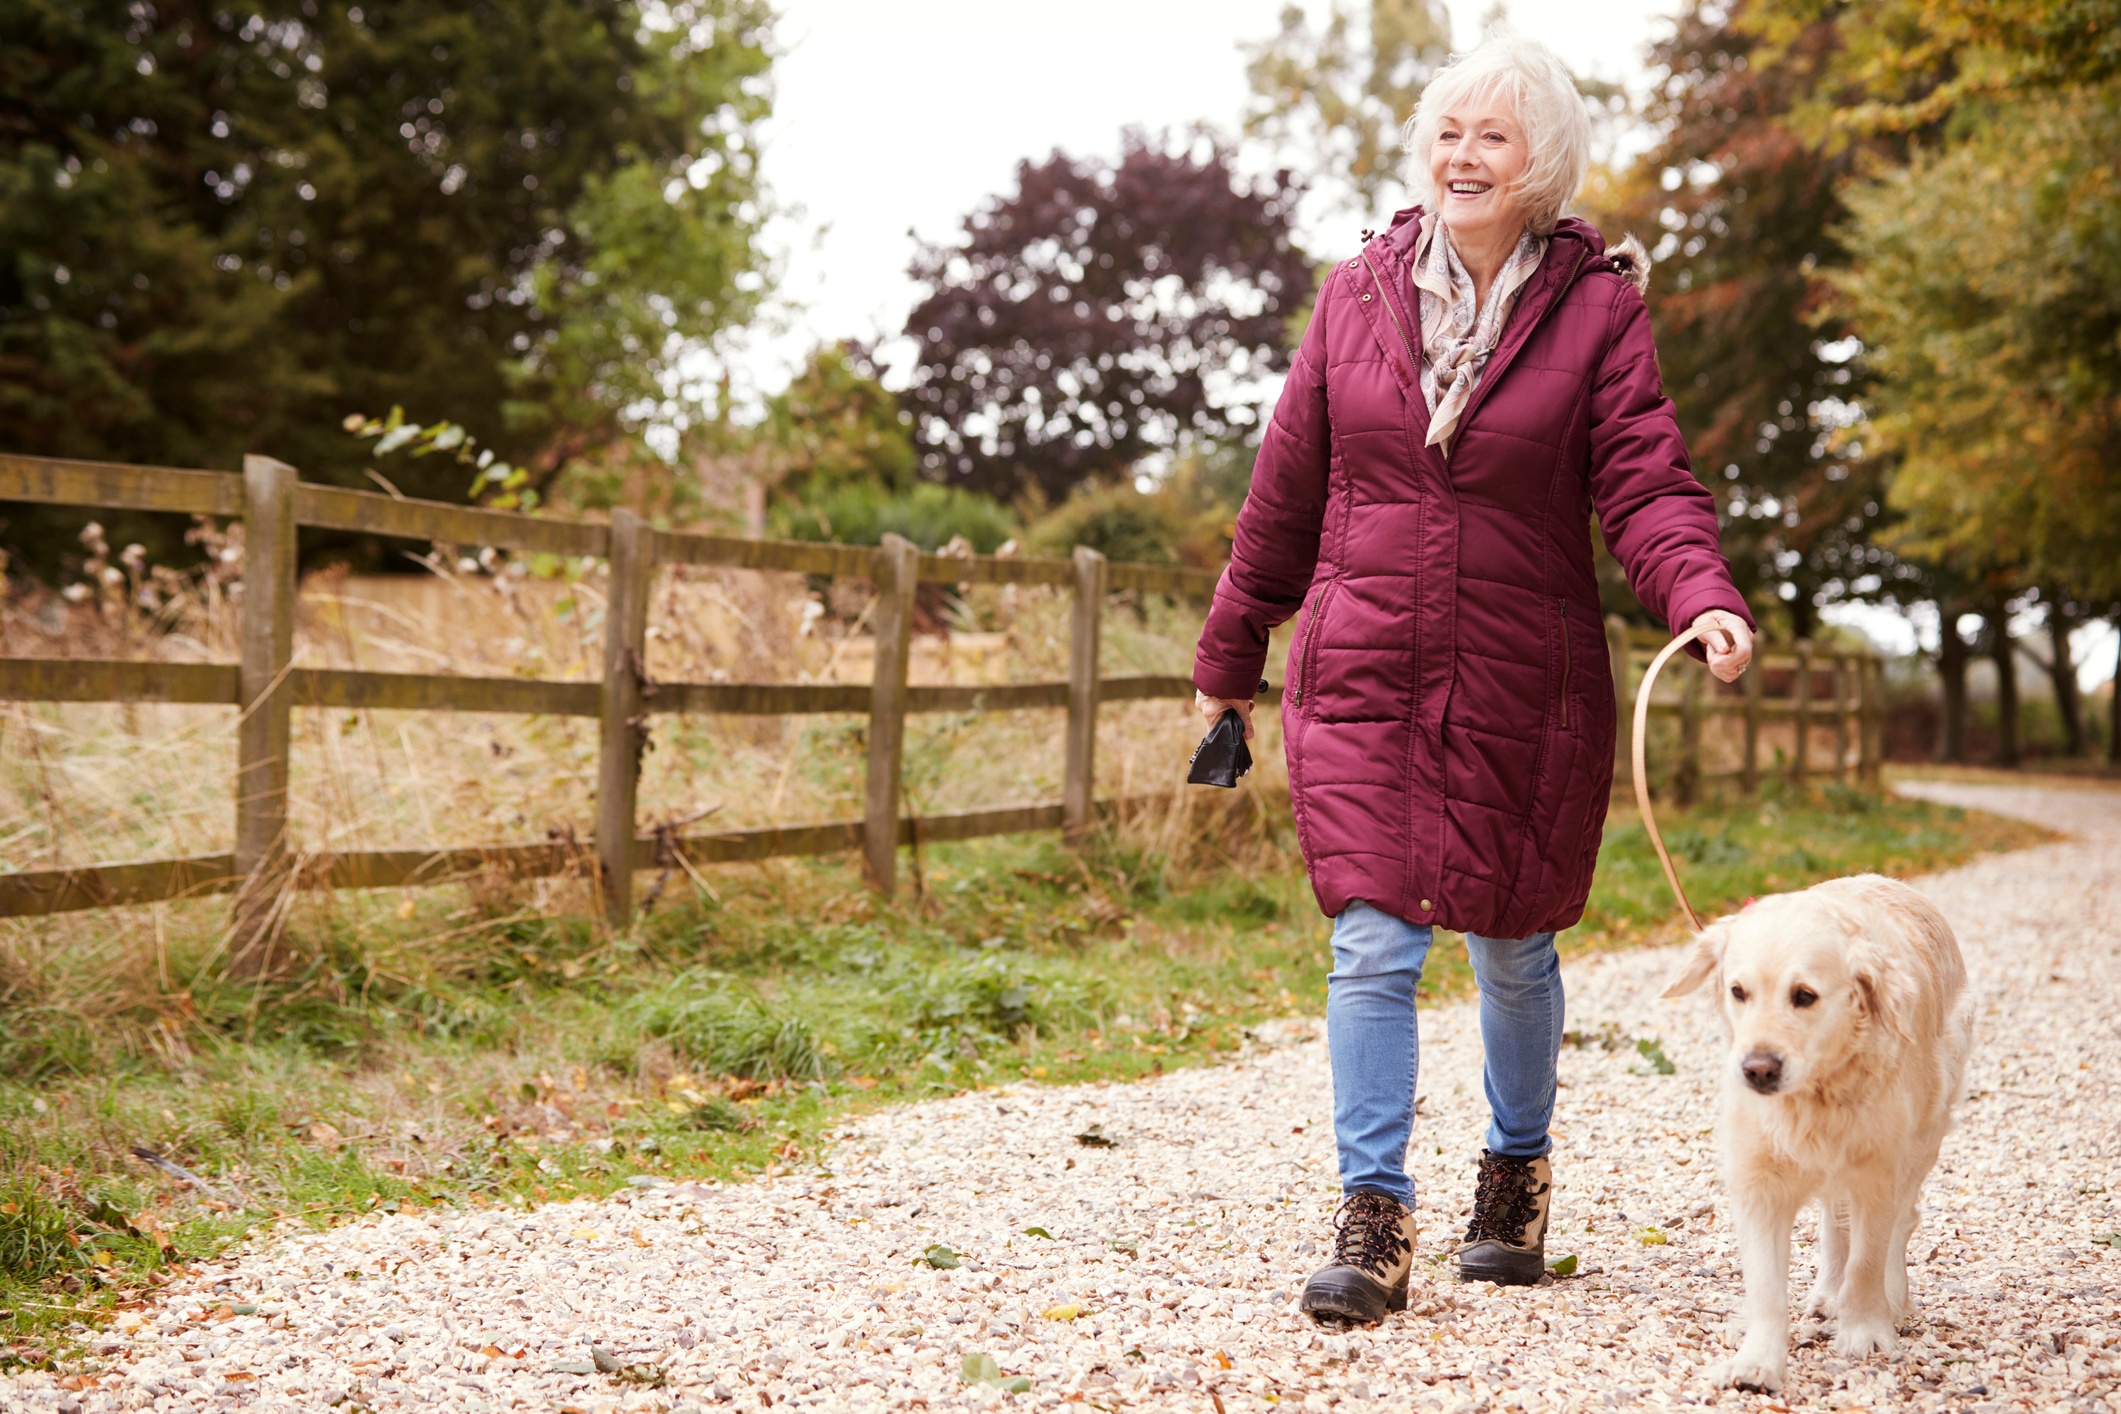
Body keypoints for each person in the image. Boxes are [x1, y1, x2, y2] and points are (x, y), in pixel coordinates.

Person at [1191, 30, 1755, 1326]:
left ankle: (1511, 1176)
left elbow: (1645, 481)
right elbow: (1281, 492)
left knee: (1510, 938)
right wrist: (1229, 656)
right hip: (1363, 670)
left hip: (1521, 677)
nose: (1461, 155)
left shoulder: (1600, 310)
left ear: (1541, 162)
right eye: (1448, 131)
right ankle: (1372, 1209)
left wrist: (1701, 596)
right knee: (1373, 939)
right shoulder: (1355, 297)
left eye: (1491, 136)